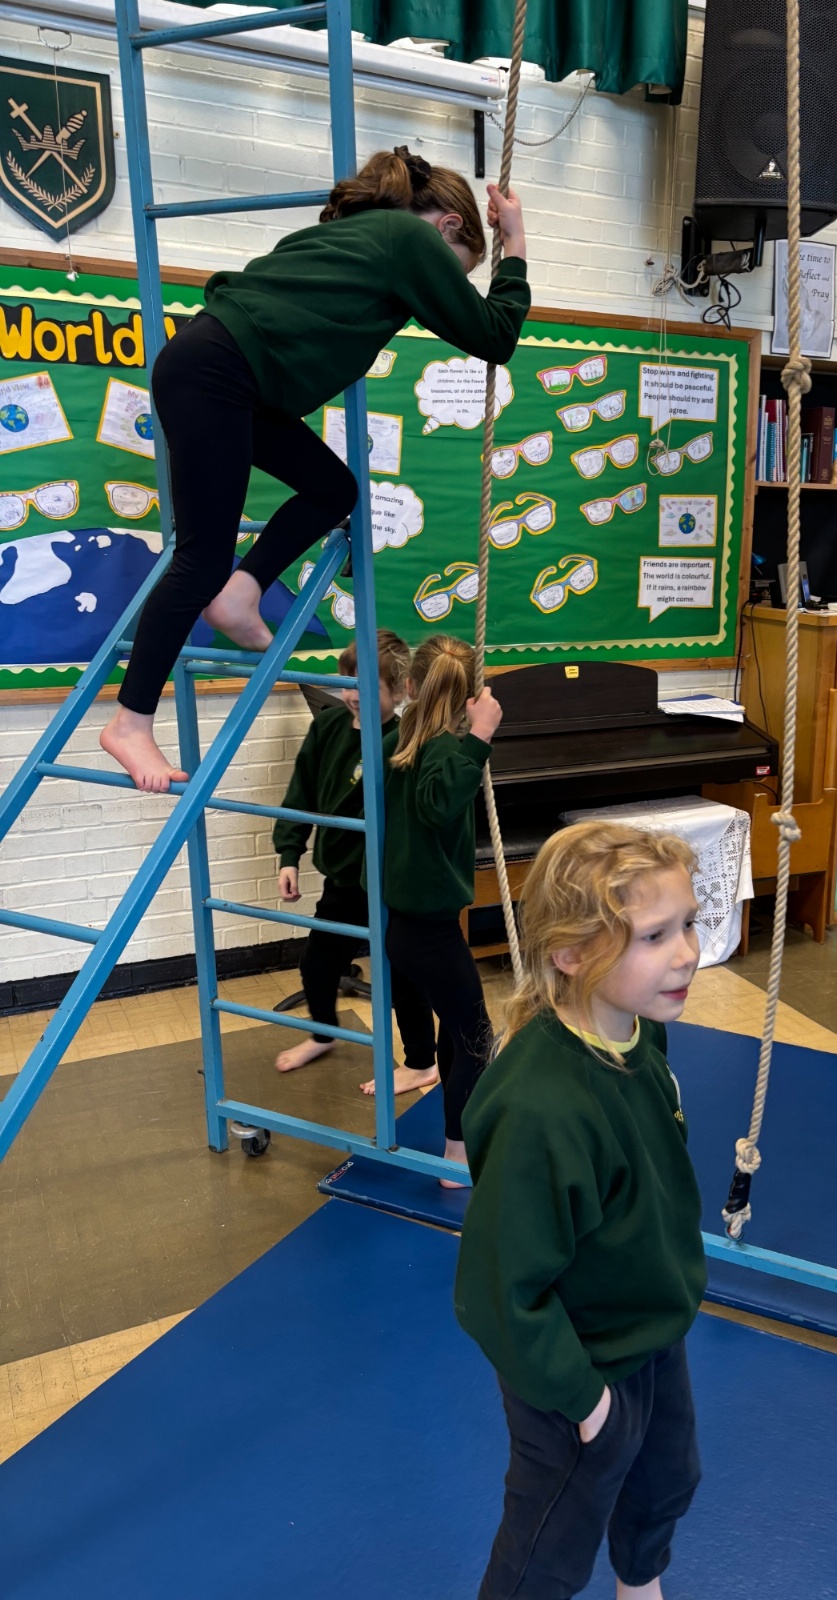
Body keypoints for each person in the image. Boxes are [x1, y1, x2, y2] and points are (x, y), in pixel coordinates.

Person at [100, 146, 530, 794]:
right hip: (221, 373)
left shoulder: (358, 236)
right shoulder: (409, 239)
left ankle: (241, 592)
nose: (445, 287)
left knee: (334, 488)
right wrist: (515, 242)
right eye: (459, 268)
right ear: (447, 227)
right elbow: (496, 336)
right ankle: (130, 721)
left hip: (229, 374)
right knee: (199, 557)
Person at [455, 821, 705, 1600]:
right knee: (551, 1541)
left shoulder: (639, 1033)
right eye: (654, 935)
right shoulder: (541, 1110)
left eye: (689, 924)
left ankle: (640, 1583)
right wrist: (586, 1402)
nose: (687, 953)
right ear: (569, 953)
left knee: (667, 1475)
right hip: (578, 1361)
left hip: (648, 1325)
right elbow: (497, 1292)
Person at [272, 629, 438, 1088]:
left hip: (388, 881)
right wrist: (290, 853)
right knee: (317, 965)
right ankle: (323, 1034)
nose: (354, 694)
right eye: (348, 682)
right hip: (343, 881)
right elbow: (301, 791)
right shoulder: (327, 726)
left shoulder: (404, 739)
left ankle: (422, 1062)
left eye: (368, 686)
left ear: (400, 691)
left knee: (402, 975)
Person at [378, 634, 502, 1174]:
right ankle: (458, 1152)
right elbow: (437, 804)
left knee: (457, 1026)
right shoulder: (447, 749)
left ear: (408, 685)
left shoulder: (399, 740)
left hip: (406, 924)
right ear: (470, 696)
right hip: (429, 930)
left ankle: (457, 1133)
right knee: (477, 1039)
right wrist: (480, 735)